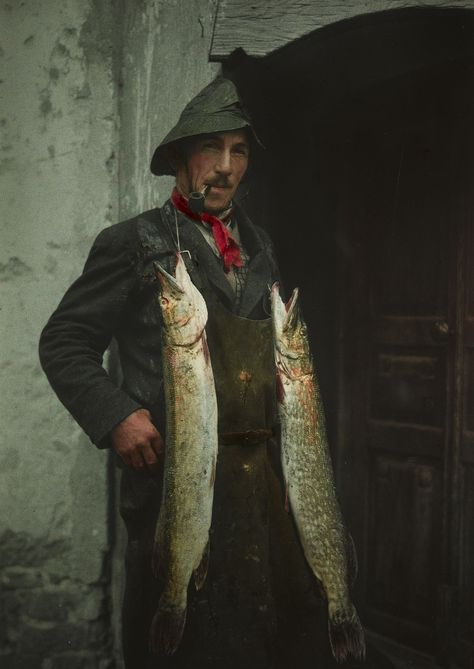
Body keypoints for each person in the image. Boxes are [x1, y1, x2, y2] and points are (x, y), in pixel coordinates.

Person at [39, 77, 348, 669]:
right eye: (212, 148)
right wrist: (116, 415)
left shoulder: (260, 246)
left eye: (240, 150)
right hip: (172, 486)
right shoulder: (132, 242)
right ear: (180, 158)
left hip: (260, 492)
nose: (226, 167)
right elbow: (65, 342)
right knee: (179, 641)